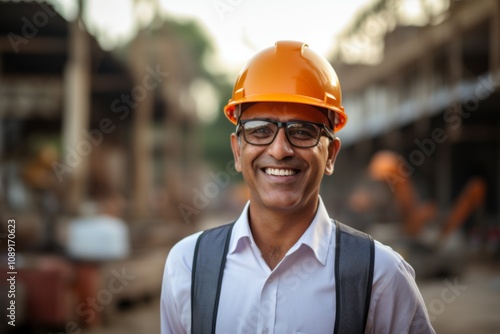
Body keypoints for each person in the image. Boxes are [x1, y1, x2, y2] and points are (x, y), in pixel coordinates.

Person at [160, 41, 435, 334]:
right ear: (238, 152)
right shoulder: (188, 266)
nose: (279, 150)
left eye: (302, 132)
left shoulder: (380, 276)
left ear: (330, 155)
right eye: (260, 131)